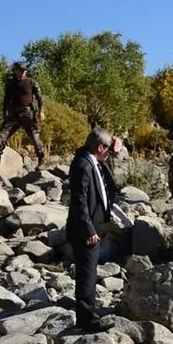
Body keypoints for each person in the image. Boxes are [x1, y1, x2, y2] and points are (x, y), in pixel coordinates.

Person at [67, 128, 121, 331]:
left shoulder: (91, 160)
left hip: (92, 225)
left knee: (88, 271)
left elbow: (108, 179)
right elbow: (79, 201)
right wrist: (89, 230)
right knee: (87, 273)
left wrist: (113, 150)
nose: (108, 153)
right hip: (84, 229)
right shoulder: (82, 164)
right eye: (106, 150)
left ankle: (87, 312)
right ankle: (85, 318)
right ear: (99, 148)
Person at [0, 61, 46, 169]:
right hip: (13, 114)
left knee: (35, 137)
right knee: (1, 137)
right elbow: (6, 99)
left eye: (24, 70)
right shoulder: (10, 84)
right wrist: (5, 112)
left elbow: (40, 98)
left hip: (27, 113)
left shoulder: (31, 82)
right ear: (15, 71)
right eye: (21, 70)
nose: (23, 72)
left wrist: (41, 111)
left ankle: (41, 160)